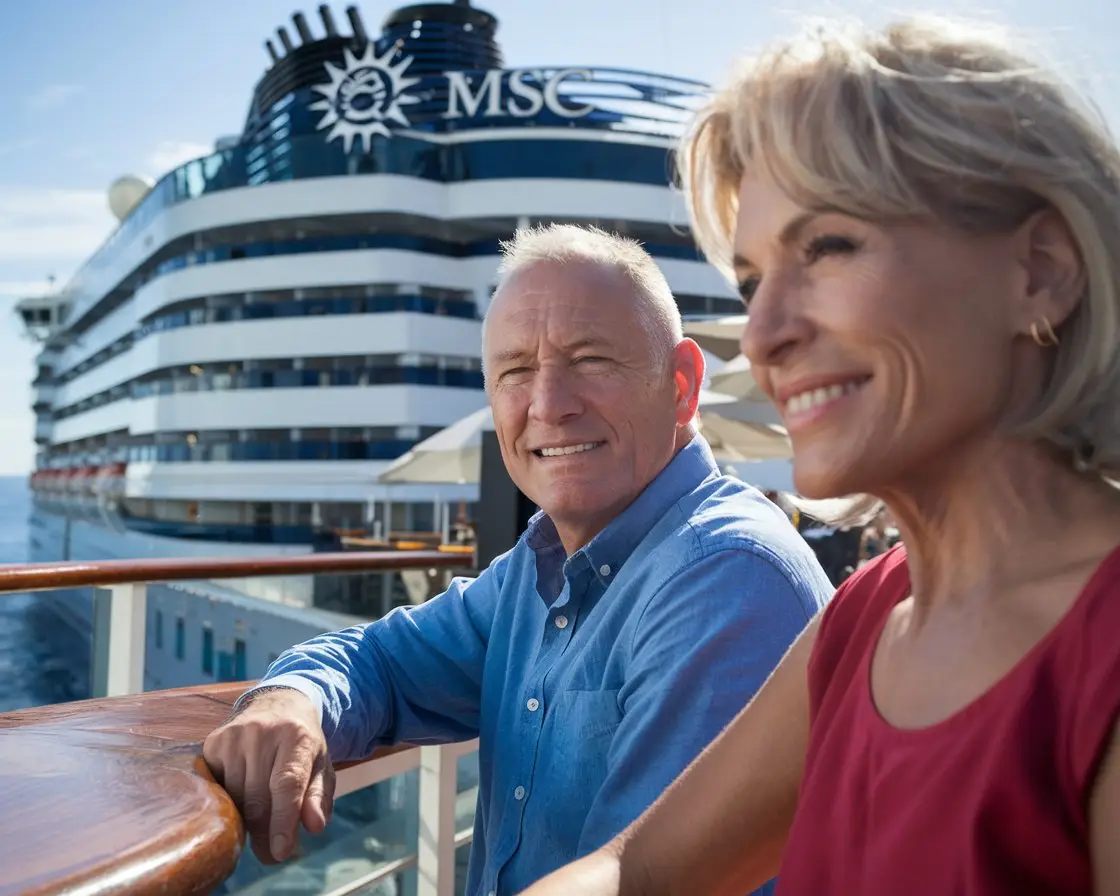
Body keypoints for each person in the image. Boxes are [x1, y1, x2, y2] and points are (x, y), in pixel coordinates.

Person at [521, 15, 1120, 896]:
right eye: (754, 281)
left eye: (830, 246)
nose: (761, 335)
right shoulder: (864, 618)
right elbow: (635, 870)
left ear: (1041, 269)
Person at [202, 224, 832, 894]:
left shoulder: (723, 579)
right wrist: (291, 699)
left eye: (590, 360)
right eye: (516, 371)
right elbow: (379, 660)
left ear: (681, 385)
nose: (549, 405)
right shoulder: (540, 569)